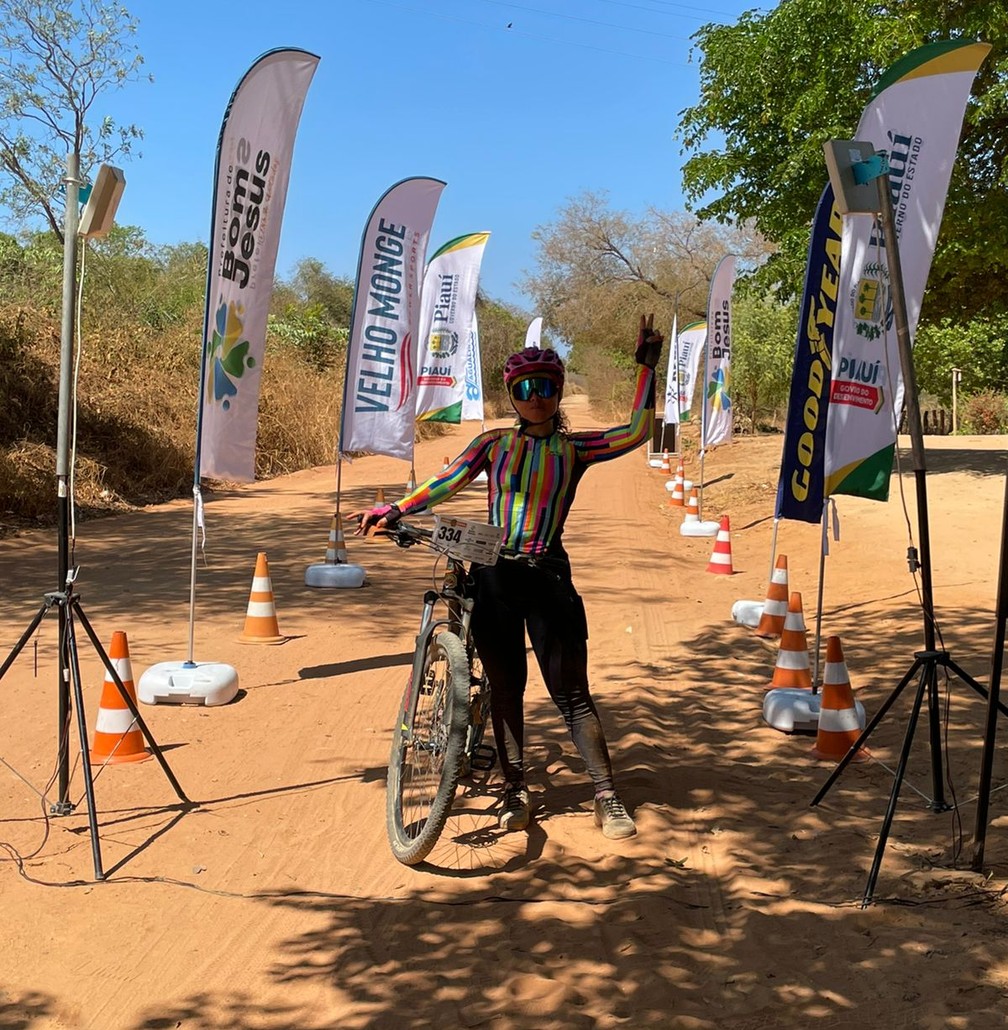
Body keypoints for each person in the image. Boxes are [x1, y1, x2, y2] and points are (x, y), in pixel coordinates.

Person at [356, 314, 663, 839]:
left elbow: (637, 431)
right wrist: (396, 508)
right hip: (495, 576)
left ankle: (606, 796)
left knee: (571, 694)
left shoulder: (574, 449)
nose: (535, 397)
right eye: (525, 388)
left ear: (559, 392)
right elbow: (446, 481)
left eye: (545, 387)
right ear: (512, 394)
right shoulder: (492, 444)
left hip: (548, 577)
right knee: (505, 690)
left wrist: (645, 369)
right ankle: (515, 788)